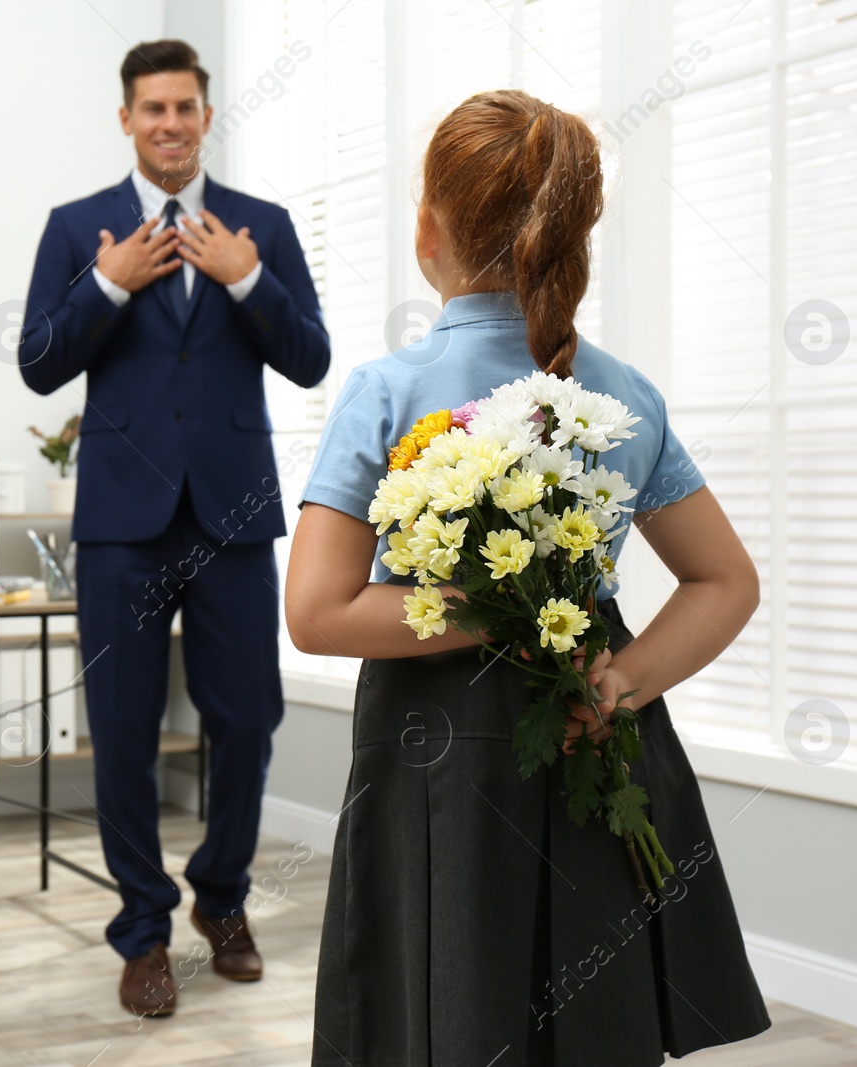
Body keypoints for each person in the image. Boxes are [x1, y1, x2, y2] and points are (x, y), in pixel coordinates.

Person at [284, 89, 772, 1065]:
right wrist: (616, 681)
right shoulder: (624, 397)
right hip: (593, 741)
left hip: (437, 765)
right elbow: (725, 582)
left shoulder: (385, 393)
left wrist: (488, 606)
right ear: (578, 235)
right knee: (592, 1018)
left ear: (427, 227)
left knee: (442, 1006)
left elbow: (316, 610)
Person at [16, 39, 330, 1019]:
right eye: (151, 108)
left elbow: (312, 358)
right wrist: (106, 285)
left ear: (204, 115)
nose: (168, 123)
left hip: (233, 513)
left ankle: (221, 898)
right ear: (126, 119)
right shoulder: (78, 230)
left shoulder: (263, 228)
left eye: (184, 107)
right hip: (121, 518)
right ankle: (142, 930)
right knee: (122, 727)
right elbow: (37, 362)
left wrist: (246, 278)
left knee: (248, 719)